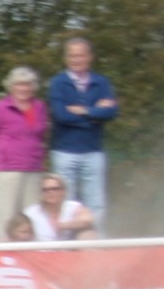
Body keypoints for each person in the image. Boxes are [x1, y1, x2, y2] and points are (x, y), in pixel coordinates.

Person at [47, 36, 118, 228]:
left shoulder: (101, 82)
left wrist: (84, 111)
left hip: (93, 151)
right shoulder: (58, 83)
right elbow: (60, 115)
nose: (76, 59)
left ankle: (95, 240)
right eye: (72, 56)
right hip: (64, 151)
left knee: (96, 202)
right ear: (66, 58)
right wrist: (95, 114)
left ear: (90, 57)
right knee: (64, 202)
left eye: (80, 55)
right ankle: (65, 241)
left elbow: (111, 112)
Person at [0, 67, 49, 238]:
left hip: (34, 169)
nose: (23, 88)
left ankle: (33, 252)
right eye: (19, 84)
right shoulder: (0, 108)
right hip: (7, 170)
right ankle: (2, 251)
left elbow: (41, 135)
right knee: (5, 216)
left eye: (27, 84)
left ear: (33, 87)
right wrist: (3, 153)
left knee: (32, 217)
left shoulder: (39, 107)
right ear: (11, 86)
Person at [24, 174, 97, 243]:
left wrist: (63, 226)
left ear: (63, 191)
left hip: (67, 250)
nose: (50, 192)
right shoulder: (31, 212)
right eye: (45, 190)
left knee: (88, 233)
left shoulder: (72, 206)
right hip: (40, 250)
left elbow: (87, 220)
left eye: (55, 189)